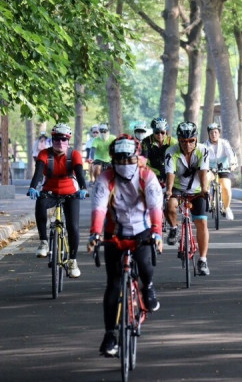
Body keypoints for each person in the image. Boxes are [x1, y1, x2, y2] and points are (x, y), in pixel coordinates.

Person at [87, 134, 163, 357]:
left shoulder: (148, 177)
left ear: (137, 158)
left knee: (145, 264)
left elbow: (155, 208)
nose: (125, 165)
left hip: (143, 230)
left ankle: (148, 286)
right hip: (115, 232)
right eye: (119, 161)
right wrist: (94, 234)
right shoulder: (105, 179)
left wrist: (157, 233)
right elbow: (99, 209)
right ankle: (110, 334)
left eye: (129, 160)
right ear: (113, 161)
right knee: (113, 283)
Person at [27, 123, 88, 277]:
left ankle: (73, 260)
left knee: (73, 226)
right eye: (56, 139)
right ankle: (44, 242)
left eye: (64, 139)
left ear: (68, 141)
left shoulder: (74, 155)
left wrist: (83, 188)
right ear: (52, 140)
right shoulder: (44, 154)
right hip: (50, 191)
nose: (60, 143)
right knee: (40, 202)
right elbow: (39, 173)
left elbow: (80, 173)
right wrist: (33, 187)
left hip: (71, 194)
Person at [164, 121, 211, 276]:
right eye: (183, 141)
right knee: (170, 206)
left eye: (191, 141)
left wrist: (204, 190)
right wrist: (169, 191)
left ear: (196, 139)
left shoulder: (203, 150)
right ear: (179, 140)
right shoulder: (171, 151)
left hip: (197, 189)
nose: (187, 144)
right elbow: (170, 174)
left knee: (202, 222)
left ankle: (203, 260)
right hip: (177, 187)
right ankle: (174, 228)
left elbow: (203, 172)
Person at [203, 121, 238, 220]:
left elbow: (230, 154)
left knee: (226, 187)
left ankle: (227, 208)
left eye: (215, 132)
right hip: (210, 168)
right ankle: (208, 198)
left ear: (219, 133)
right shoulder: (204, 145)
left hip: (224, 167)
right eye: (211, 133)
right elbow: (202, 158)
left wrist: (232, 164)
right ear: (209, 134)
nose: (213, 135)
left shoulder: (224, 143)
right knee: (205, 179)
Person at [140, 117, 176, 186]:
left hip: (169, 172)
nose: (160, 135)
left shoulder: (173, 142)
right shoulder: (146, 142)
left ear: (166, 132)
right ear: (153, 132)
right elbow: (143, 161)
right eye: (157, 132)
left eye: (162, 132)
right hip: (151, 171)